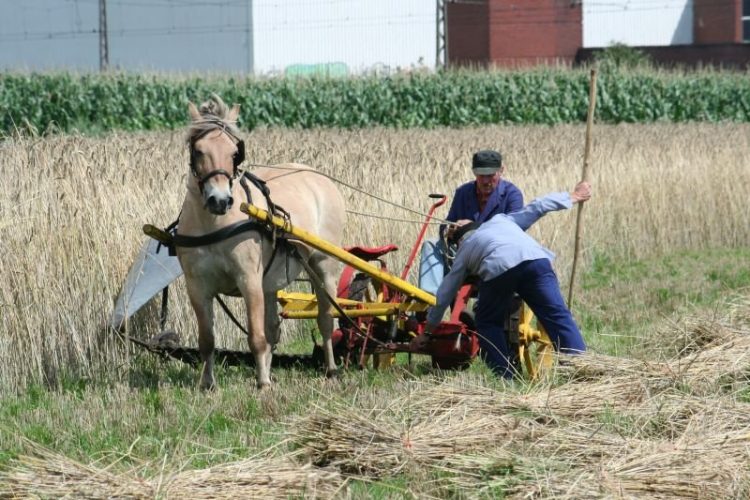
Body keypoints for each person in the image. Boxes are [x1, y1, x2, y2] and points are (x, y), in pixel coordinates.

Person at [413, 181, 592, 378]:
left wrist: (427, 332)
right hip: (537, 261)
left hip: (500, 269)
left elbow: (445, 294)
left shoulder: (464, 250)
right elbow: (539, 206)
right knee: (558, 316)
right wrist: (573, 196)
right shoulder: (502, 221)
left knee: (487, 323)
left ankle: (506, 377)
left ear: (459, 240)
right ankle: (582, 368)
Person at [418, 149, 523, 294]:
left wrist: (473, 228)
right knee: (430, 244)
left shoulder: (512, 195)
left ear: (501, 171)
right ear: (474, 172)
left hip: (495, 257)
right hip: (463, 255)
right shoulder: (463, 192)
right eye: (481, 175)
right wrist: (449, 229)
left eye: (490, 175)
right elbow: (447, 223)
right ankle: (429, 299)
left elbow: (514, 231)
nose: (485, 181)